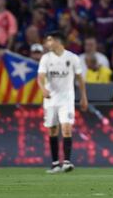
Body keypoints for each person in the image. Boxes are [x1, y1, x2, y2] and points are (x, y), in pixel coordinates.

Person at [37, 31, 88, 174]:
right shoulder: (46, 58)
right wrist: (43, 89)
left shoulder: (72, 58)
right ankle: (55, 164)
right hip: (50, 100)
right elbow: (40, 77)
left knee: (66, 128)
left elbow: (80, 79)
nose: (47, 43)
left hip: (67, 99)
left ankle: (67, 162)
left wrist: (84, 97)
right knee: (53, 129)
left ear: (58, 41)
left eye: (49, 40)